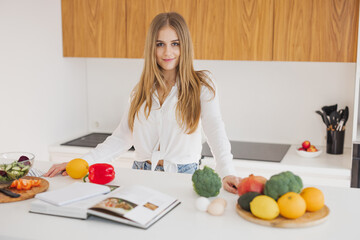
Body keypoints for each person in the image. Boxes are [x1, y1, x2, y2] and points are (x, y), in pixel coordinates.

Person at [44, 12, 241, 194]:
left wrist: (226, 171)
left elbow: (215, 129)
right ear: (152, 47)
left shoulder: (202, 85)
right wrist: (80, 163)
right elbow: (121, 138)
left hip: (183, 177)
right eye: (160, 44)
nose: (167, 52)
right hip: (141, 174)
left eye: (175, 43)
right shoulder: (141, 91)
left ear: (184, 45)